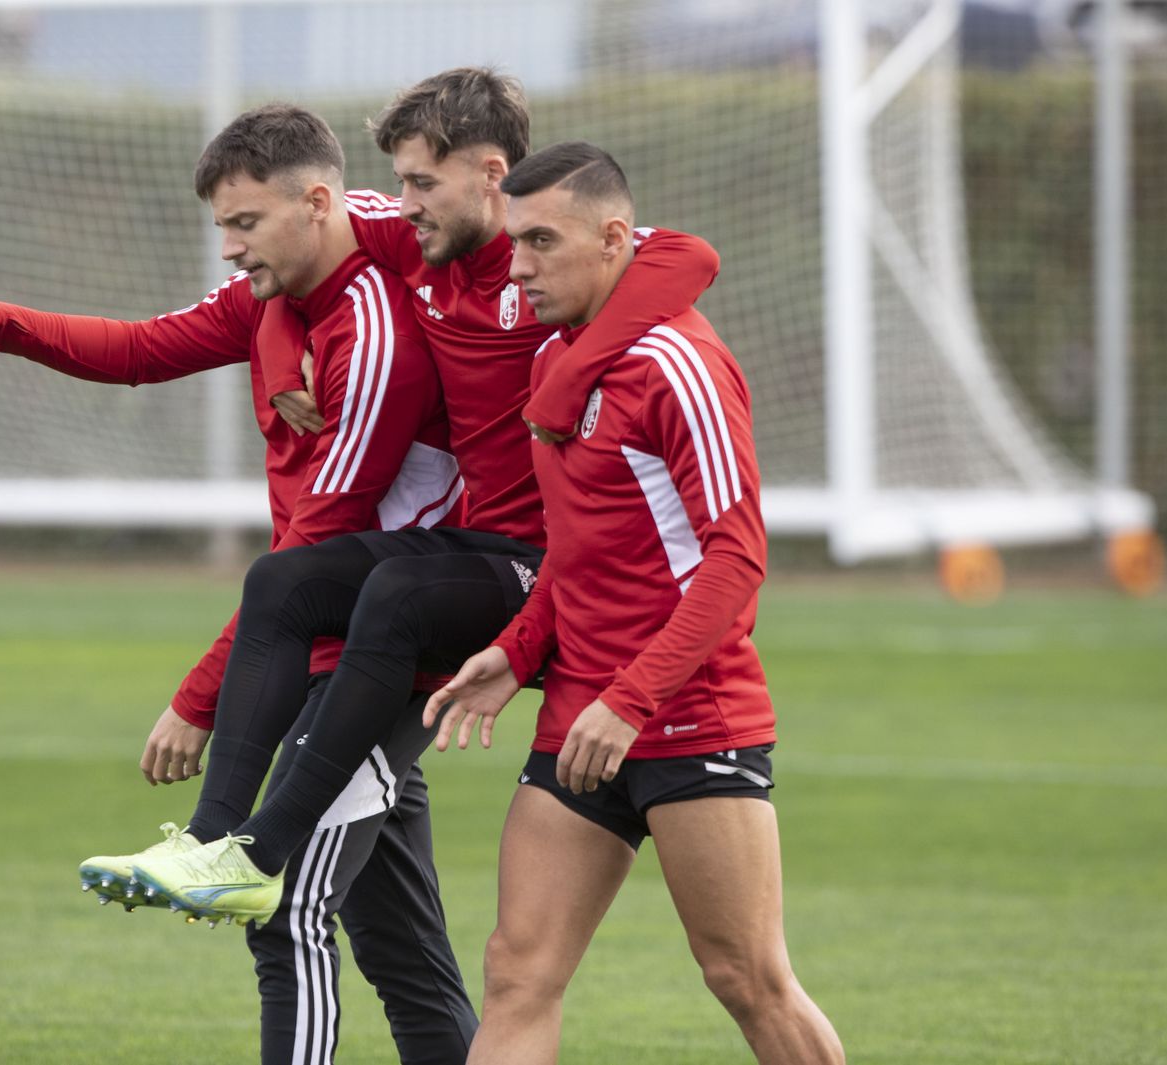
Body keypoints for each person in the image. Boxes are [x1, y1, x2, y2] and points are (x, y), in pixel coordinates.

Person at [0, 104, 479, 1065]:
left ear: (315, 204)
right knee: (402, 950)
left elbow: (317, 549)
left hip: (379, 653)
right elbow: (139, 350)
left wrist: (202, 700)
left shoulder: (374, 336)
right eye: (223, 226)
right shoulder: (278, 292)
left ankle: (212, 842)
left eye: (245, 224)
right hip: (335, 641)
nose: (230, 247)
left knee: (282, 912)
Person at [105, 69, 722, 929]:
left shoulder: (556, 256)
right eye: (400, 180)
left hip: (548, 576)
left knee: (745, 973)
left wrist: (569, 373)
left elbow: (694, 257)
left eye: (421, 181)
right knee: (280, 580)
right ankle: (214, 843)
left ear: (491, 175)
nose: (402, 203)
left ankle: (259, 855)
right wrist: (279, 354)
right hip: (478, 550)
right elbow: (299, 260)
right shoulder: (414, 238)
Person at [423, 141, 845, 1065]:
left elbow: (736, 558)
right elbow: (579, 550)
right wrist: (520, 649)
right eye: (514, 241)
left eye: (542, 241)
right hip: (580, 719)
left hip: (689, 716)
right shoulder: (558, 360)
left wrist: (632, 698)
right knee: (518, 971)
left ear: (614, 238)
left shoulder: (678, 364)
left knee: (747, 978)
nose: (519, 266)